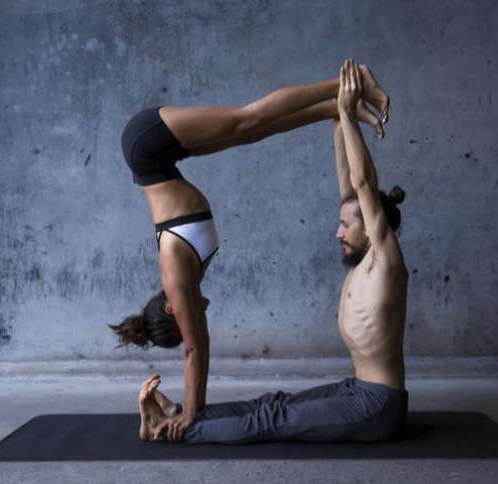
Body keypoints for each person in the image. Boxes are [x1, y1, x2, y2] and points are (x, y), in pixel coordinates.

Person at [111, 59, 392, 441]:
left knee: (250, 120)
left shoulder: (175, 273)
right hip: (158, 158)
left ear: (170, 308)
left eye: (187, 316)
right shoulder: (186, 284)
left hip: (143, 145)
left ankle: (352, 82)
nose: (200, 312)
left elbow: (195, 348)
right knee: (251, 131)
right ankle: (336, 105)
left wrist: (192, 413)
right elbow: (196, 337)